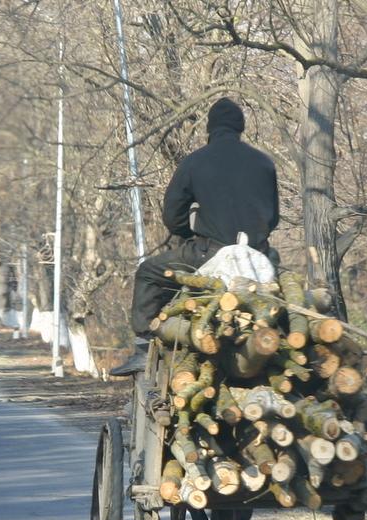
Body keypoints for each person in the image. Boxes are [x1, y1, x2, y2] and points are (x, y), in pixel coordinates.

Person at [111, 97, 279, 376]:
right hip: (257, 256)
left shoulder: (195, 162)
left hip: (209, 253)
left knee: (148, 272)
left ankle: (144, 347)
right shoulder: (264, 163)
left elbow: (172, 216)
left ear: (210, 129)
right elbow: (273, 218)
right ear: (240, 128)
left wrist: (188, 234)